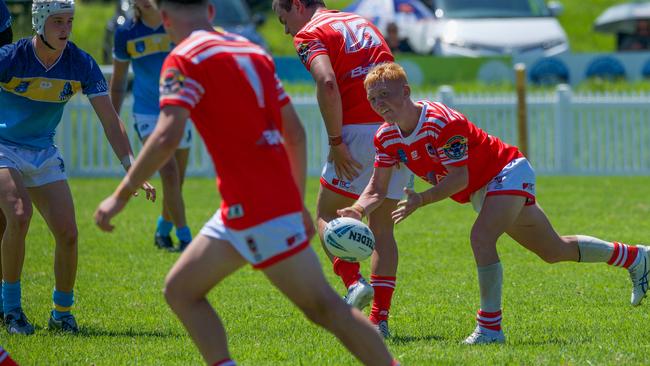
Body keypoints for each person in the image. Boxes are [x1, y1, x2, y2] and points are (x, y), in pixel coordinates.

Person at [93, 0, 398, 364]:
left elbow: (165, 137)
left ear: (165, 20)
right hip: (246, 206)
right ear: (209, 11)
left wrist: (121, 194)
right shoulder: (252, 51)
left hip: (254, 209)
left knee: (325, 309)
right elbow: (295, 134)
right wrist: (297, 202)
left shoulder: (183, 58)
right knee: (180, 290)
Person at [338, 62, 650, 345]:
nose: (380, 104)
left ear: (406, 92)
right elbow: (377, 188)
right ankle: (636, 258)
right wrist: (358, 210)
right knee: (554, 250)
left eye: (385, 95)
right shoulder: (386, 137)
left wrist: (422, 199)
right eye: (373, 99)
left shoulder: (441, 122)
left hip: (507, 171)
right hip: (483, 190)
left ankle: (490, 329)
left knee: (481, 237)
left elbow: (459, 178)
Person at [0, 0, 155, 335]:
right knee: (19, 213)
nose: (66, 29)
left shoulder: (80, 63)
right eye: (58, 22)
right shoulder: (10, 58)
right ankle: (11, 310)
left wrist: (132, 168)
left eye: (70, 21)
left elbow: (111, 122)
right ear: (40, 21)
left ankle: (62, 313)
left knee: (68, 234)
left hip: (42, 151)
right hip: (3, 147)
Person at [272, 0, 412, 338]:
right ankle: (380, 320)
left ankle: (353, 281)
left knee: (326, 214)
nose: (286, 28)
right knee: (383, 230)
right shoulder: (362, 22)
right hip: (399, 128)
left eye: (283, 18)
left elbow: (328, 82)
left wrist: (337, 141)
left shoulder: (310, 33)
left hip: (357, 133)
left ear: (297, 6)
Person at [111, 0, 193, 251]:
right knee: (168, 173)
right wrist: (112, 121)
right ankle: (187, 239)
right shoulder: (125, 32)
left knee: (175, 182)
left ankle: (163, 230)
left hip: (178, 110)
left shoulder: (177, 24)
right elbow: (119, 80)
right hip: (146, 114)